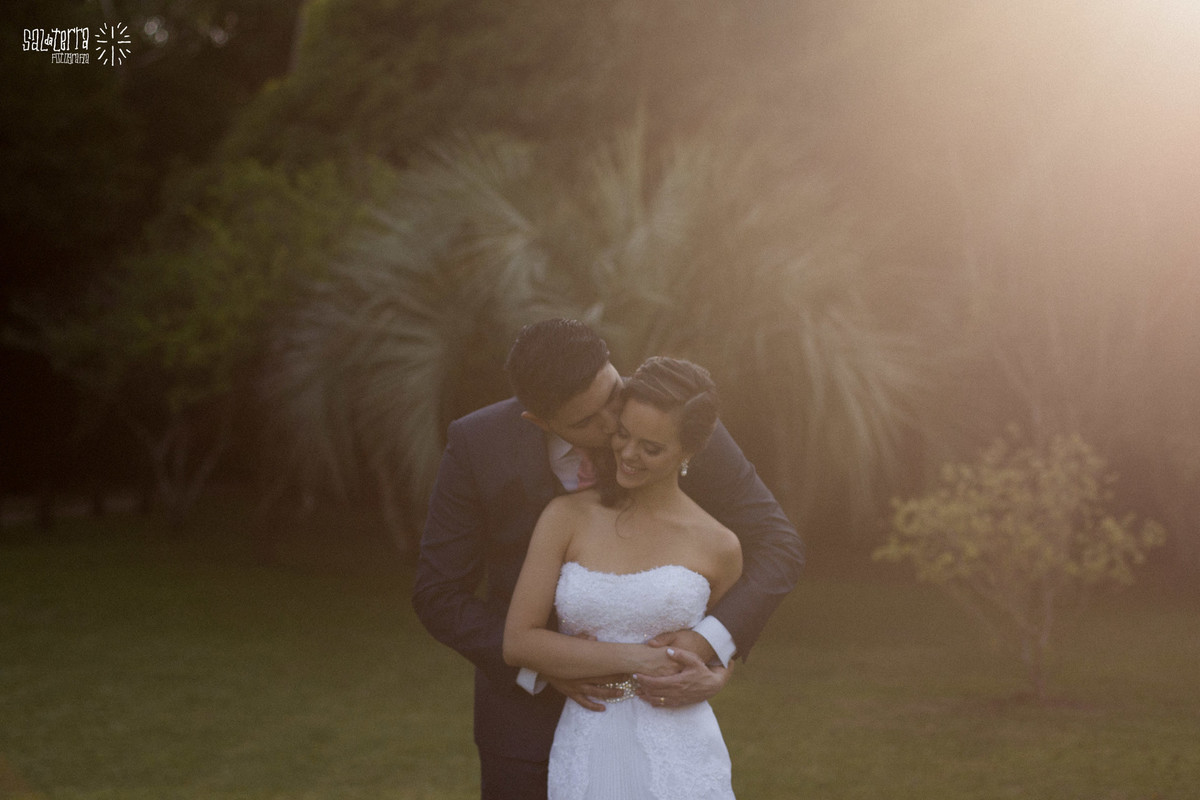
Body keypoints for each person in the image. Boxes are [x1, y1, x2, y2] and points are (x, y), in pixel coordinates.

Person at [412, 319, 803, 800]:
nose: (611, 427)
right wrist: (545, 662)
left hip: (659, 716)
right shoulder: (479, 443)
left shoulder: (670, 417)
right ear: (539, 421)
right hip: (522, 720)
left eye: (613, 395)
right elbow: (438, 594)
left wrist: (708, 647)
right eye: (584, 422)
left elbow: (777, 543)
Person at [505, 356, 743, 799]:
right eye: (623, 434)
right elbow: (519, 642)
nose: (629, 454)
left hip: (682, 749)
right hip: (589, 741)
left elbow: (723, 646)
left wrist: (718, 677)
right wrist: (640, 659)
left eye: (651, 448)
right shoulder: (566, 517)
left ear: (688, 452)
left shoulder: (720, 545)